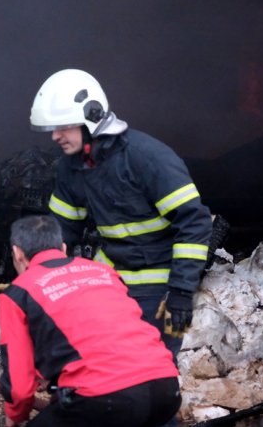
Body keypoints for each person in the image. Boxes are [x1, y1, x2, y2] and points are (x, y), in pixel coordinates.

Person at [28, 69, 212, 361]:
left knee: (152, 370)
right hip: (110, 279)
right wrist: (39, 280)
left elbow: (195, 222)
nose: (55, 136)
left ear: (92, 115)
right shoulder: (70, 168)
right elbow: (59, 231)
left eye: (62, 126)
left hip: (159, 284)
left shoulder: (147, 158)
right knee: (102, 364)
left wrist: (180, 291)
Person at [0, 215, 181, 427]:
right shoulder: (103, 272)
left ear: (18, 254)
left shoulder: (18, 292)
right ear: (63, 248)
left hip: (107, 399)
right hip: (166, 390)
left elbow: (19, 386)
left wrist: (15, 416)